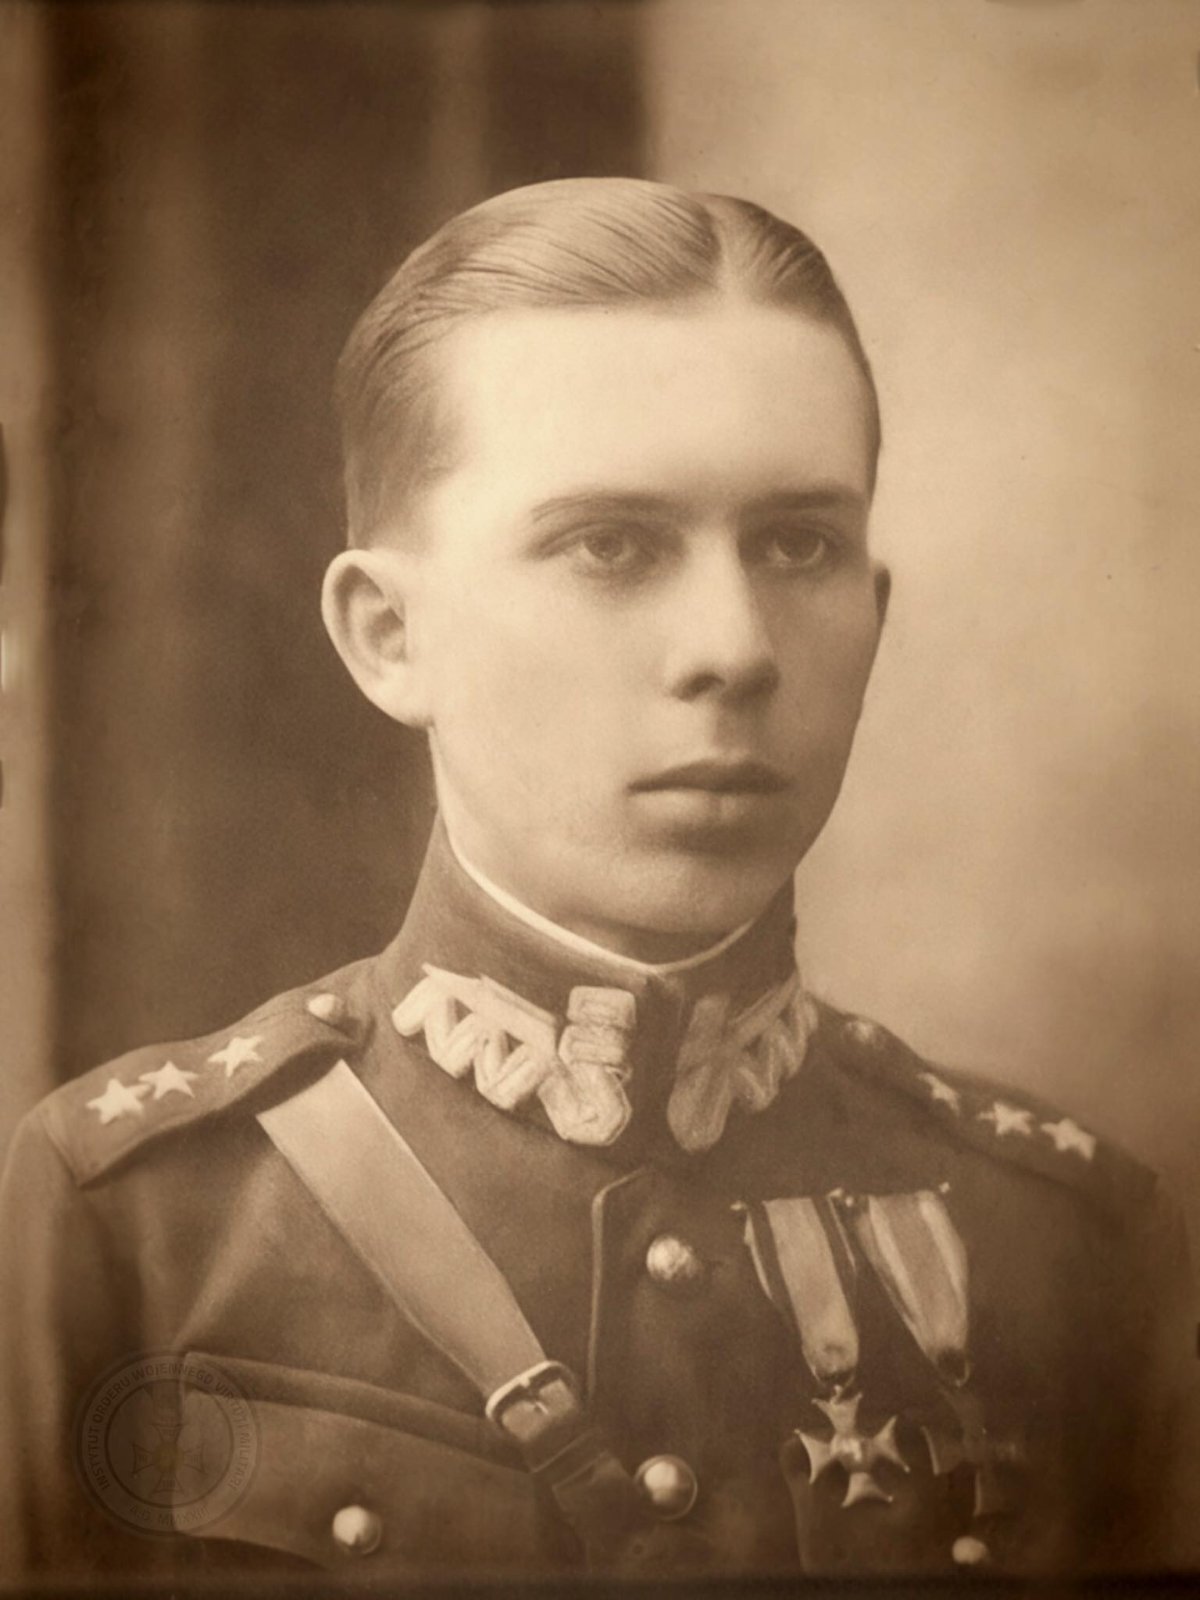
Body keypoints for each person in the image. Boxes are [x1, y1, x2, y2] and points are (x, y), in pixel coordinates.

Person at [0, 177, 1194, 1584]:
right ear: (389, 635)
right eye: (610, 546)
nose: (734, 647)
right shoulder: (135, 1228)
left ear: (874, 617)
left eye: (799, 544)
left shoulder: (1075, 1249)